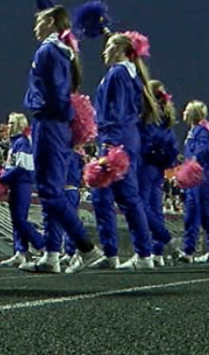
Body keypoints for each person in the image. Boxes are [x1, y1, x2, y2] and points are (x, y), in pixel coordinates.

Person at [19, 4, 103, 274]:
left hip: (49, 122)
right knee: (50, 191)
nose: (35, 27)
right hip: (57, 124)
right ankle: (52, 254)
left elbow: (55, 92)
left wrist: (55, 115)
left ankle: (86, 248)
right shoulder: (64, 49)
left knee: (49, 192)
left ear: (52, 23)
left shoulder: (48, 50)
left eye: (39, 22)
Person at [89, 32, 156, 271]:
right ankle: (111, 252)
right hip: (126, 138)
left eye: (108, 47)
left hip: (115, 139)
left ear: (119, 50)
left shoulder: (117, 73)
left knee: (127, 197)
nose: (103, 52)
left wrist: (110, 146)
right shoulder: (131, 74)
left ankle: (143, 254)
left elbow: (113, 112)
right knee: (102, 197)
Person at [0, 112, 44, 267]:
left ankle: (42, 243)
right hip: (16, 183)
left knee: (19, 219)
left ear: (18, 125)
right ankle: (20, 252)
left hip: (22, 184)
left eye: (10, 123)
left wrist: (3, 177)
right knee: (16, 220)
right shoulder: (16, 143)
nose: (7, 125)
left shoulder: (22, 142)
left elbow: (22, 167)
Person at [138, 81, 178, 264]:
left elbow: (144, 141)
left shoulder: (148, 118)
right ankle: (157, 253)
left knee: (139, 205)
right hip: (159, 167)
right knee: (155, 207)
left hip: (145, 164)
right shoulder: (165, 118)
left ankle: (162, 240)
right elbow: (172, 146)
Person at [177, 100, 209, 263]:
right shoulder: (195, 130)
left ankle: (193, 251)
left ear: (192, 114)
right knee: (201, 214)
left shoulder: (200, 130)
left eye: (185, 110)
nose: (183, 113)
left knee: (196, 213)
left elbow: (202, 149)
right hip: (197, 177)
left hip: (199, 178)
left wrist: (193, 162)